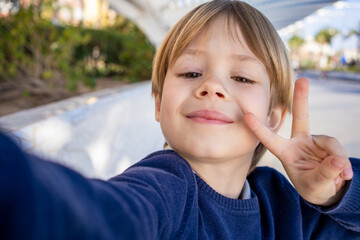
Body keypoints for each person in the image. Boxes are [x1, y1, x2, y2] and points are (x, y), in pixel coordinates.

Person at [1, 1, 359, 239]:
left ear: (274, 116)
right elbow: (93, 214)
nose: (212, 86)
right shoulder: (164, 188)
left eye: (242, 78)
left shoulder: (289, 206)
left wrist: (338, 193)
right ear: (158, 104)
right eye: (190, 73)